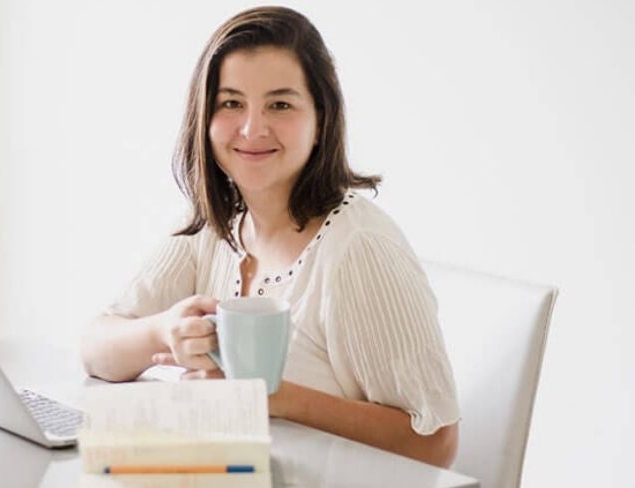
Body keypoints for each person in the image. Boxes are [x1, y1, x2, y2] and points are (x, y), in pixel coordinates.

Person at [80, 6, 460, 468]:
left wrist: (269, 396)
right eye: (231, 103)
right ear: (204, 119)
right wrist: (163, 330)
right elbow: (96, 347)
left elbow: (434, 444)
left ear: (321, 120)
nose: (252, 128)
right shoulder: (214, 227)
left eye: (280, 104)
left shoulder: (357, 249)